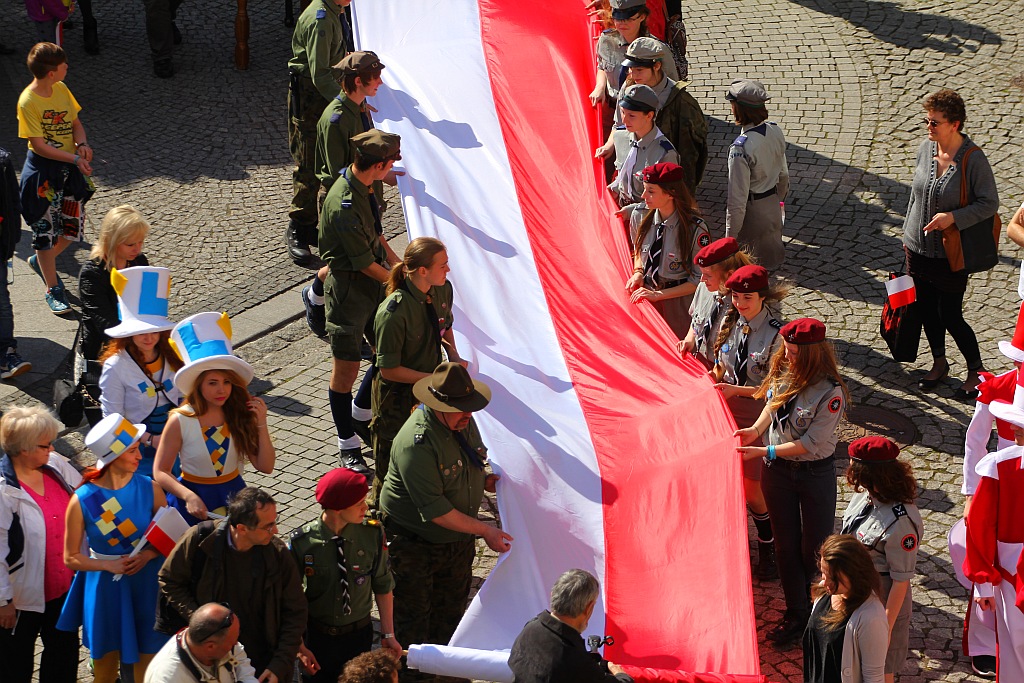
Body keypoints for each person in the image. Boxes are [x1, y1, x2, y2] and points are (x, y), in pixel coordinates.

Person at [378, 362, 513, 682]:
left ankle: (446, 670)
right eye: (460, 409)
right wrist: (485, 530)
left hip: (454, 539)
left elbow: (472, 462)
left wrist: (485, 481)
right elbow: (436, 511)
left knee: (451, 609)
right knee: (415, 619)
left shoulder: (462, 422)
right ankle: (415, 677)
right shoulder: (417, 442)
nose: (468, 414)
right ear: (438, 407)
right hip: (415, 543)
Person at [735, 317, 848, 647]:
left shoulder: (830, 392)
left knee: (814, 547)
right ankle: (795, 612)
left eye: (795, 351)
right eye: (787, 349)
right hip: (779, 472)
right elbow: (772, 403)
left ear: (813, 354)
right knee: (785, 546)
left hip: (814, 474)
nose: (787, 355)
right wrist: (755, 430)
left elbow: (810, 443)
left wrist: (764, 448)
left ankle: (817, 611)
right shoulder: (784, 368)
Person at [57, 413, 169, 682]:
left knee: (149, 668)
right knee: (105, 671)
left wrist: (149, 554)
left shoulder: (150, 488)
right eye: (132, 450)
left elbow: (168, 533)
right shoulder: (83, 499)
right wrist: (107, 564)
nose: (140, 456)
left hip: (146, 584)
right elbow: (71, 557)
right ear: (113, 456)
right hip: (106, 588)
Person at [903, 90, 998, 400]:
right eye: (927, 121)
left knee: (951, 314)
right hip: (918, 248)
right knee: (926, 308)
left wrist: (952, 218)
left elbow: (989, 203)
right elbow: (915, 196)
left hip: (950, 254)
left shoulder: (973, 159)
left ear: (954, 124)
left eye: (935, 122)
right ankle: (939, 362)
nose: (929, 127)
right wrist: (908, 234)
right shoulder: (924, 149)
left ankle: (976, 370)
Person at [157, 487, 308, 683]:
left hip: (263, 658)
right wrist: (202, 622)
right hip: (212, 657)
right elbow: (170, 580)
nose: (276, 531)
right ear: (242, 528)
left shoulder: (277, 554)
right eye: (268, 526)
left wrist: (279, 665)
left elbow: (295, 611)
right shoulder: (199, 540)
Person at [320, 130, 403, 478]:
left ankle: (361, 413)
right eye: (390, 164)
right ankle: (347, 444)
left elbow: (378, 235)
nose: (392, 170)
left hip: (372, 283)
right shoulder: (344, 204)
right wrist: (401, 283)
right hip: (349, 292)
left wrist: (397, 264)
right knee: (346, 373)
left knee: (387, 352)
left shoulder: (364, 186)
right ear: (379, 164)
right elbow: (362, 263)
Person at [304, 50, 398, 339]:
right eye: (375, 78)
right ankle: (316, 299)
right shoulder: (335, 120)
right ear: (358, 81)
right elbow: (336, 173)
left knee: (356, 260)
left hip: (365, 195)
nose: (380, 83)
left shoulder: (359, 109)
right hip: (348, 200)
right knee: (343, 265)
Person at [154, 312, 274, 525]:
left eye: (227, 382)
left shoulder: (238, 413)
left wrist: (261, 423)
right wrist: (188, 496)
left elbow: (265, 466)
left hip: (235, 497)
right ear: (198, 385)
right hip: (193, 501)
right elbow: (161, 471)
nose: (222, 390)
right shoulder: (180, 419)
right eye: (212, 383)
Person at [371, 237, 461, 502]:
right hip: (397, 399)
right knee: (391, 467)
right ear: (423, 271)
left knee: (432, 451)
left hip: (429, 388)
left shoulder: (443, 289)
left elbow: (444, 327)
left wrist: (453, 355)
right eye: (443, 265)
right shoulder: (392, 312)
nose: (448, 270)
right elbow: (389, 370)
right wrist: (433, 378)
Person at [289, 468, 400, 682]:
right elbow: (290, 599)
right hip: (318, 638)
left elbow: (383, 584)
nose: (365, 507)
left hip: (359, 636)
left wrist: (388, 634)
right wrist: (300, 647)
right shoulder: (303, 543)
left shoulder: (372, 534)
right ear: (338, 508)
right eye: (359, 503)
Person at [711, 264, 785, 580]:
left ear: (762, 297)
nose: (740, 303)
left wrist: (733, 390)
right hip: (724, 412)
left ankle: (768, 547)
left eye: (747, 298)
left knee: (751, 486)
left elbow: (773, 388)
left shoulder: (777, 334)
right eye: (736, 297)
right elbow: (720, 367)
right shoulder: (732, 323)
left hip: (758, 417)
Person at [0, 406, 81, 683]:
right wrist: (3, 601)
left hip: (63, 589)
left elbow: (85, 495)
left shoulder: (55, 464)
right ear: (23, 449)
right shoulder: (3, 491)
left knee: (63, 659)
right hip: (21, 599)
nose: (52, 449)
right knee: (15, 665)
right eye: (45, 444)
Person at [17, 42, 96, 316]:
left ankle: (42, 262)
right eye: (64, 64)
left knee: (72, 231)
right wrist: (75, 158)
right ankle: (53, 288)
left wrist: (82, 143)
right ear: (51, 72)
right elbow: (38, 146)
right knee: (44, 235)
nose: (67, 67)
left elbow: (75, 123)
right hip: (43, 176)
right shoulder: (28, 101)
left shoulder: (61, 89)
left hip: (67, 171)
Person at [840, 437, 922, 683]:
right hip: (857, 592)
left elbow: (901, 581)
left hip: (883, 600)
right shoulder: (865, 497)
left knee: (878, 672)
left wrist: (884, 627)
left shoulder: (901, 522)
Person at [286, 0, 353, 266]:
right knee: (309, 163)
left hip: (324, 94)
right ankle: (299, 228)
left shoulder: (337, 12)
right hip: (311, 98)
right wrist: (346, 101)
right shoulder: (321, 19)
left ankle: (317, 225)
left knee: (328, 158)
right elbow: (320, 74)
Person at [98, 266, 182, 478]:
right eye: (140, 332)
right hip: (139, 452)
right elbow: (113, 418)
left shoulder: (172, 354)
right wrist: (148, 440)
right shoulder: (115, 366)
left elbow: (185, 395)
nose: (148, 338)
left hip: (179, 444)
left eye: (154, 330)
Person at [609, 37, 706, 198]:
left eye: (639, 70)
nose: (633, 74)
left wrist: (685, 199)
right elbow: (619, 125)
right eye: (630, 69)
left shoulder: (682, 103)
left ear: (657, 66)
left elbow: (690, 157)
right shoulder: (629, 86)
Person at [624, 162, 709, 339]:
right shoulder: (639, 215)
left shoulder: (695, 230)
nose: (643, 196)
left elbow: (698, 280)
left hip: (677, 304)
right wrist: (638, 271)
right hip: (646, 297)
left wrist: (659, 295)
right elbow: (638, 249)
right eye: (645, 189)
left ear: (671, 193)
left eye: (651, 191)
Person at [508, 569, 633, 683]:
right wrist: (618, 672)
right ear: (588, 608)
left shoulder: (530, 628)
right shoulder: (575, 659)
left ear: (553, 595)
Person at [724, 79, 790, 272]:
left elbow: (737, 201)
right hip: (772, 207)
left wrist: (730, 238)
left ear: (738, 109)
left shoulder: (740, 148)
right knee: (773, 262)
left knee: (749, 270)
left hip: (751, 217)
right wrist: (778, 202)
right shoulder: (775, 130)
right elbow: (784, 175)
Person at [803, 534, 888, 683]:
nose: (825, 582)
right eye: (823, 573)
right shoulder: (824, 594)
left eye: (833, 578)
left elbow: (874, 678)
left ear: (854, 574)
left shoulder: (871, 618)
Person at [79, 205, 152, 362]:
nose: (137, 249)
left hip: (138, 340)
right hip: (104, 348)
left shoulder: (139, 261)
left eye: (140, 242)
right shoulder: (93, 274)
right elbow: (105, 323)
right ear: (112, 241)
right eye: (130, 244)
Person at [677, 236, 754, 369]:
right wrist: (689, 339)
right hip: (699, 364)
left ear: (729, 275)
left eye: (708, 275)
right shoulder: (704, 288)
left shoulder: (744, 303)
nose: (702, 279)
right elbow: (696, 320)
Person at [145, 602, 259, 683]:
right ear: (210, 646)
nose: (236, 644)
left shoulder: (220, 642)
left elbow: (245, 671)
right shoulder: (167, 677)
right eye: (233, 642)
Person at [604, 84, 677, 208]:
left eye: (632, 116)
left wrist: (632, 211)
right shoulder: (620, 137)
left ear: (649, 116)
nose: (625, 120)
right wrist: (614, 189)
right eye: (622, 113)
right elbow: (623, 173)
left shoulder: (664, 153)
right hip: (620, 208)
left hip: (645, 216)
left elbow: (665, 199)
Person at [0, 145, 31, 379]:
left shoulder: (3, 161)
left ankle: (6, 353)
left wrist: (11, 242)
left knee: (2, 300)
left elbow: (12, 203)